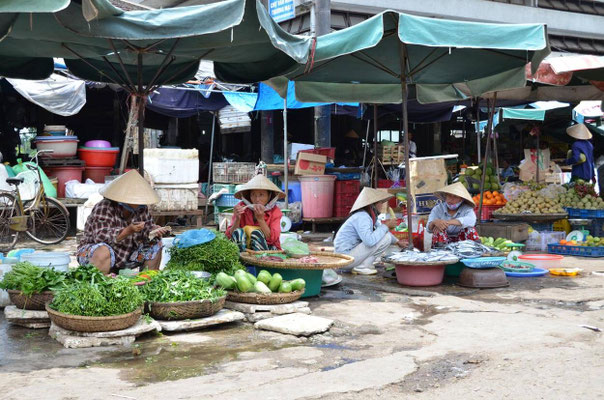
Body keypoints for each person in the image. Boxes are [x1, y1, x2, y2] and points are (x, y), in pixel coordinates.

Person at [77, 170, 170, 274]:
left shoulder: (141, 208)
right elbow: (100, 237)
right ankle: (100, 284)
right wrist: (128, 231)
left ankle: (147, 281)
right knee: (103, 250)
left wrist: (153, 230)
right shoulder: (104, 207)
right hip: (96, 255)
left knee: (155, 244)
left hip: (126, 255)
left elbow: (146, 229)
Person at [333, 188, 406, 275]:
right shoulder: (362, 216)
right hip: (345, 259)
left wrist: (397, 242)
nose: (382, 205)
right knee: (386, 238)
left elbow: (382, 230)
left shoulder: (370, 217)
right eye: (380, 203)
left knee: (386, 236)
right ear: (372, 204)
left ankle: (363, 266)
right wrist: (386, 226)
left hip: (349, 257)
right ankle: (362, 267)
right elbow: (369, 241)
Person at [226, 174, 284, 251]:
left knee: (257, 233)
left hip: (267, 250)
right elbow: (229, 236)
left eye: (261, 195)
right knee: (238, 232)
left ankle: (259, 262)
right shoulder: (241, 207)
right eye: (253, 195)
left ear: (269, 196)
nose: (257, 199)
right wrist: (237, 219)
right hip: (245, 248)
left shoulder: (275, 211)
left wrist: (261, 220)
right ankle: (242, 260)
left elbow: (272, 239)